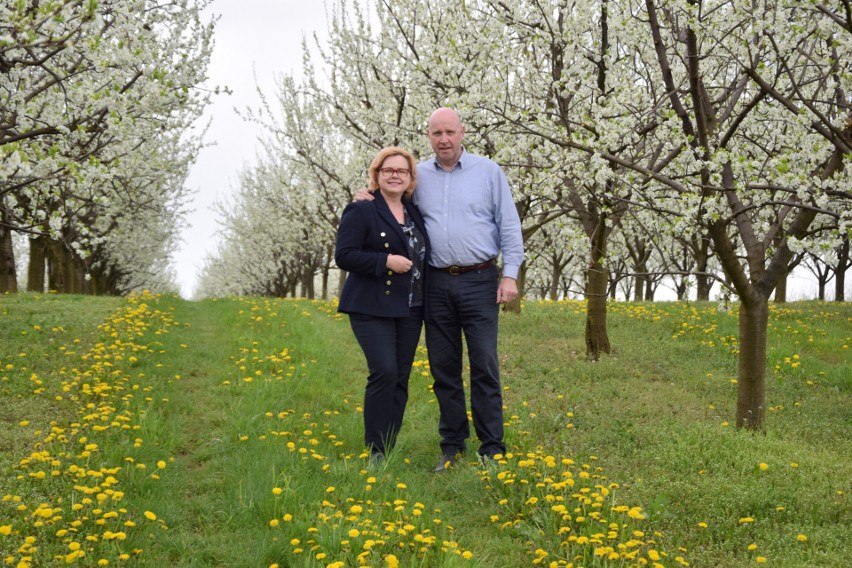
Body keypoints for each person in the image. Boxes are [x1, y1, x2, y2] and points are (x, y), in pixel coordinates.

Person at [356, 108, 524, 472]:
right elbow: (391, 201)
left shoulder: (489, 173)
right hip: (434, 283)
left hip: (480, 280)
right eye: (437, 133)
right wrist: (366, 197)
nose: (444, 139)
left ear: (462, 132)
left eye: (450, 132)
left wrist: (509, 276)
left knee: (484, 364)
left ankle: (492, 446)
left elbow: (509, 226)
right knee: (443, 369)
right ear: (428, 136)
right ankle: (452, 445)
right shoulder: (420, 178)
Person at [335, 146, 430, 466]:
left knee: (401, 376)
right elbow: (343, 255)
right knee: (384, 371)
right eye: (388, 170)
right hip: (371, 306)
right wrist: (384, 261)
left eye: (401, 171)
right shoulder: (362, 209)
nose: (394, 175)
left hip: (411, 306)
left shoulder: (413, 210)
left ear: (410, 179)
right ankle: (375, 448)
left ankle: (388, 444)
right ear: (376, 174)